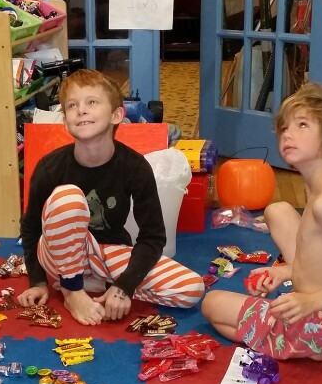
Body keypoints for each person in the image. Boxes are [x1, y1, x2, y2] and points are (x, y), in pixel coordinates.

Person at [201, 83, 322, 360]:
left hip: (321, 325)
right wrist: (286, 272)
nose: (288, 134)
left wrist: (310, 301)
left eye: (302, 125)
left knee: (212, 304)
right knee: (278, 210)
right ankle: (318, 339)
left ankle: (300, 345)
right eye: (284, 128)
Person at [17, 69, 204, 325]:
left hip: (108, 252)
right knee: (68, 197)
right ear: (65, 121)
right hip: (58, 255)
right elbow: (30, 229)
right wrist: (38, 282)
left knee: (191, 289)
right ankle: (72, 290)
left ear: (117, 115)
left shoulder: (135, 166)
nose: (81, 110)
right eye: (72, 105)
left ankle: (96, 285)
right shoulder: (51, 167)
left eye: (91, 102)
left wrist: (123, 287)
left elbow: (153, 237)